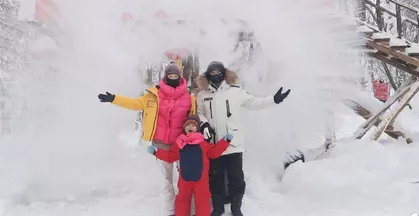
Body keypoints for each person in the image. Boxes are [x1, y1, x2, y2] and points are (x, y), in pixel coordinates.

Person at [98, 63, 196, 216]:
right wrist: (114, 99)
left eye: (175, 76)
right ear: (165, 76)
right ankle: (170, 210)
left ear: (180, 77)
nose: (173, 78)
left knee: (186, 179)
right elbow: (135, 103)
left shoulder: (189, 98)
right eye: (170, 76)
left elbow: (194, 118)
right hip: (161, 144)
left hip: (182, 144)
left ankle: (187, 210)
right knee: (166, 181)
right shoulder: (153, 95)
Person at [196, 61, 291, 216]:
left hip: (234, 143)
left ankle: (236, 207)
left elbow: (254, 103)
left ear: (224, 73)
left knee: (236, 178)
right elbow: (200, 112)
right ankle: (218, 208)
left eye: (218, 72)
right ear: (207, 75)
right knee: (215, 178)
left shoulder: (236, 91)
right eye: (212, 72)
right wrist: (204, 124)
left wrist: (274, 99)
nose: (215, 75)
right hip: (214, 146)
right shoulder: (202, 95)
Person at [148, 115, 233, 216]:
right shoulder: (179, 143)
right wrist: (156, 152)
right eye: (188, 125)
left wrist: (225, 142)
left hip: (201, 181)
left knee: (203, 202)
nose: (191, 127)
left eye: (193, 125)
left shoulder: (203, 143)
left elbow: (214, 152)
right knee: (182, 201)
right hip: (184, 180)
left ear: (197, 128)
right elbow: (170, 156)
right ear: (184, 128)